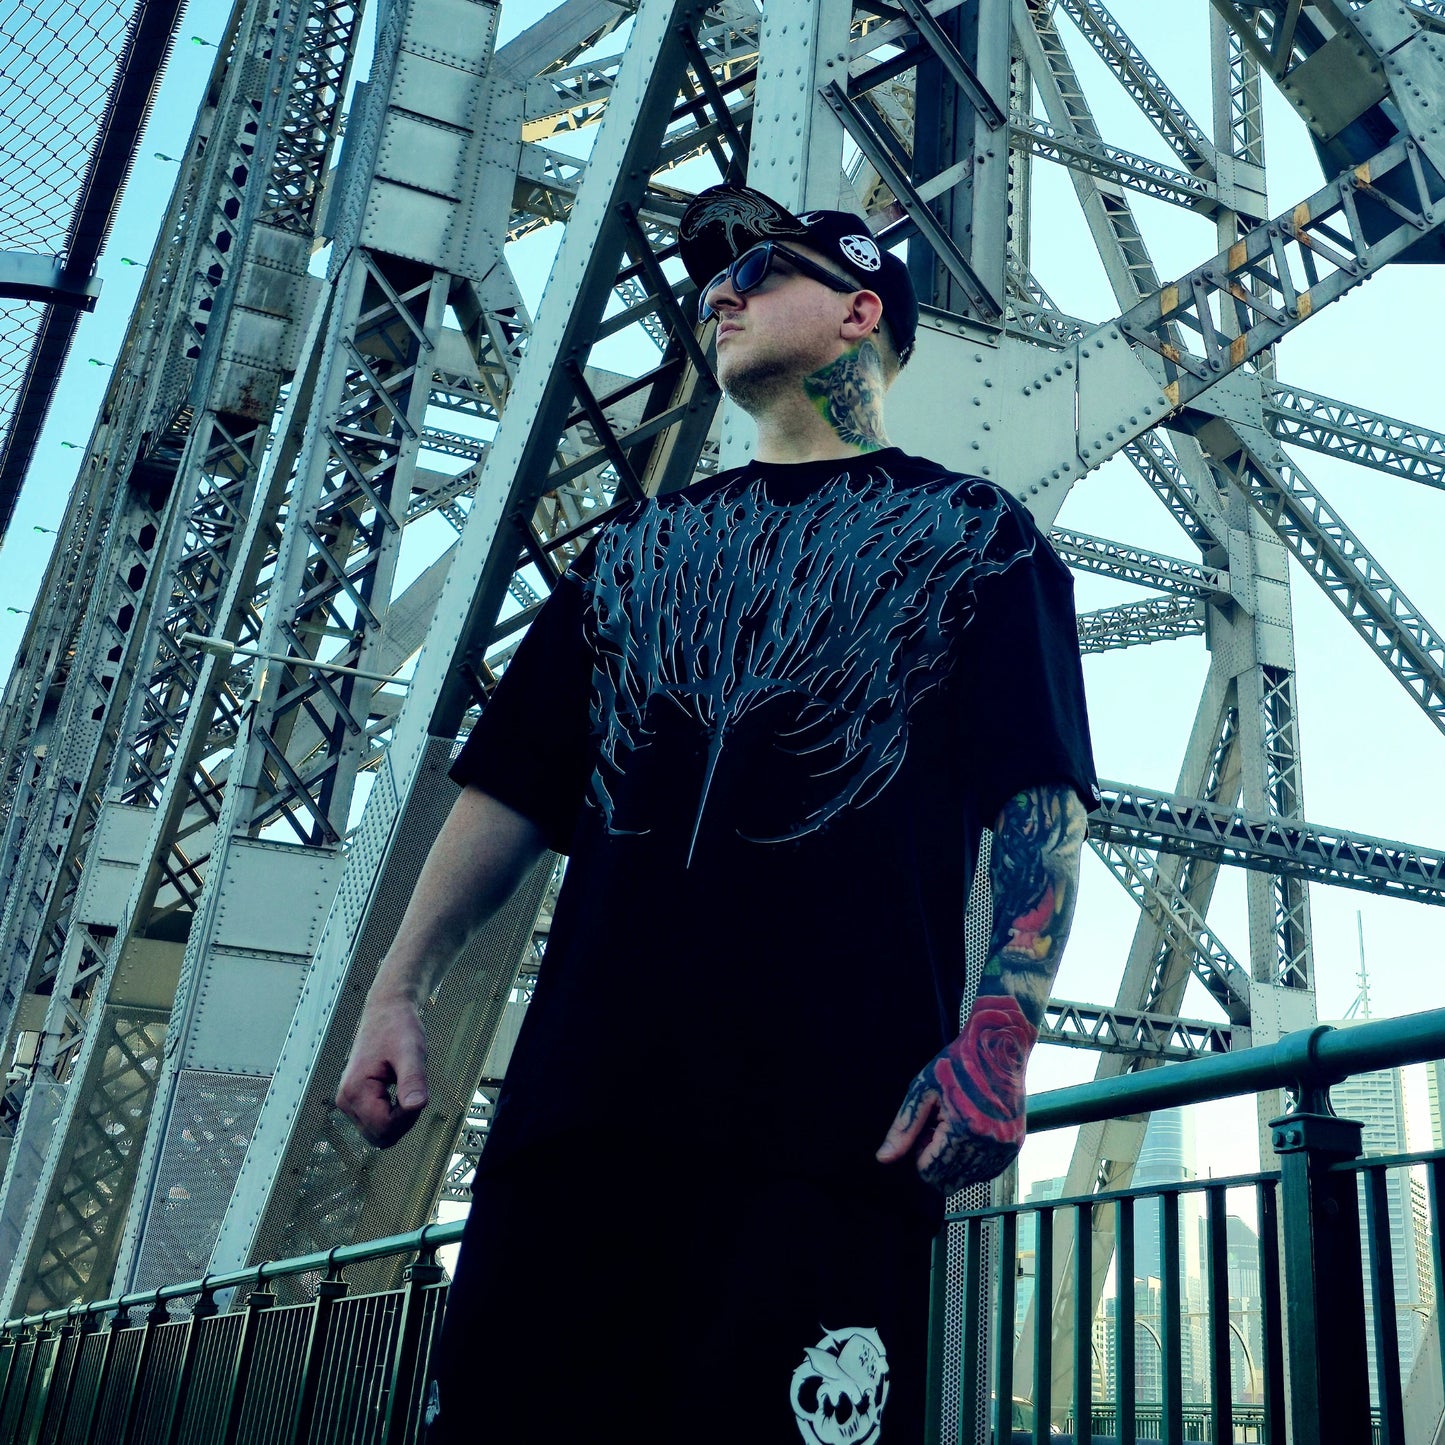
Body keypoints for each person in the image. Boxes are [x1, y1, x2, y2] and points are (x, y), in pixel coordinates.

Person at [337, 184, 1097, 1443]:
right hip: (574, 1129)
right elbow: (513, 786)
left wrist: (1000, 1032)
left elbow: (1039, 797)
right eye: (714, 277)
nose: (720, 292)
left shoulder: (981, 541)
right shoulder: (628, 550)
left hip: (830, 1136)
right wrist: (397, 986)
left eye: (763, 269)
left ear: (862, 311)